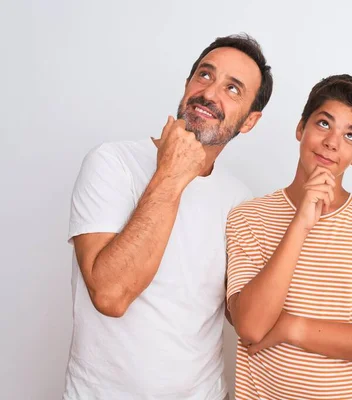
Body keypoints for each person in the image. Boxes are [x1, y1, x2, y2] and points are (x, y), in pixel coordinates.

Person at [63, 34, 273, 400]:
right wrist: (172, 174)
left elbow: (244, 317)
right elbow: (110, 295)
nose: (209, 93)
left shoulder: (240, 200)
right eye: (205, 75)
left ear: (249, 121)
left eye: (232, 89)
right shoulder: (112, 163)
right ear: (187, 84)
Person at [226, 74, 352, 400]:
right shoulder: (248, 217)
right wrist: (300, 224)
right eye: (324, 124)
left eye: (350, 135)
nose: (332, 142)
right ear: (301, 129)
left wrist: (292, 328)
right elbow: (251, 327)